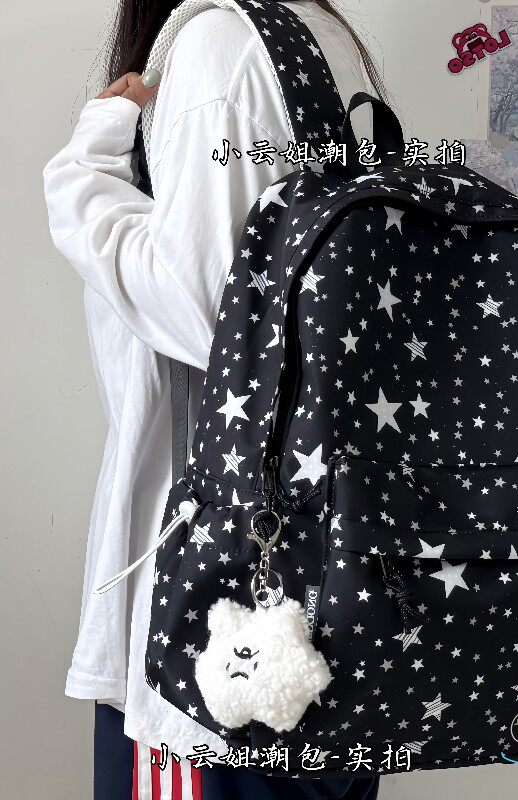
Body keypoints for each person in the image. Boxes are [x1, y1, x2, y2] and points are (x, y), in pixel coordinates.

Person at [43, 1, 386, 797]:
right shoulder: (317, 33)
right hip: (326, 583)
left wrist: (82, 180)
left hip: (207, 626)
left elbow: (212, 315)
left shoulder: (219, 46)